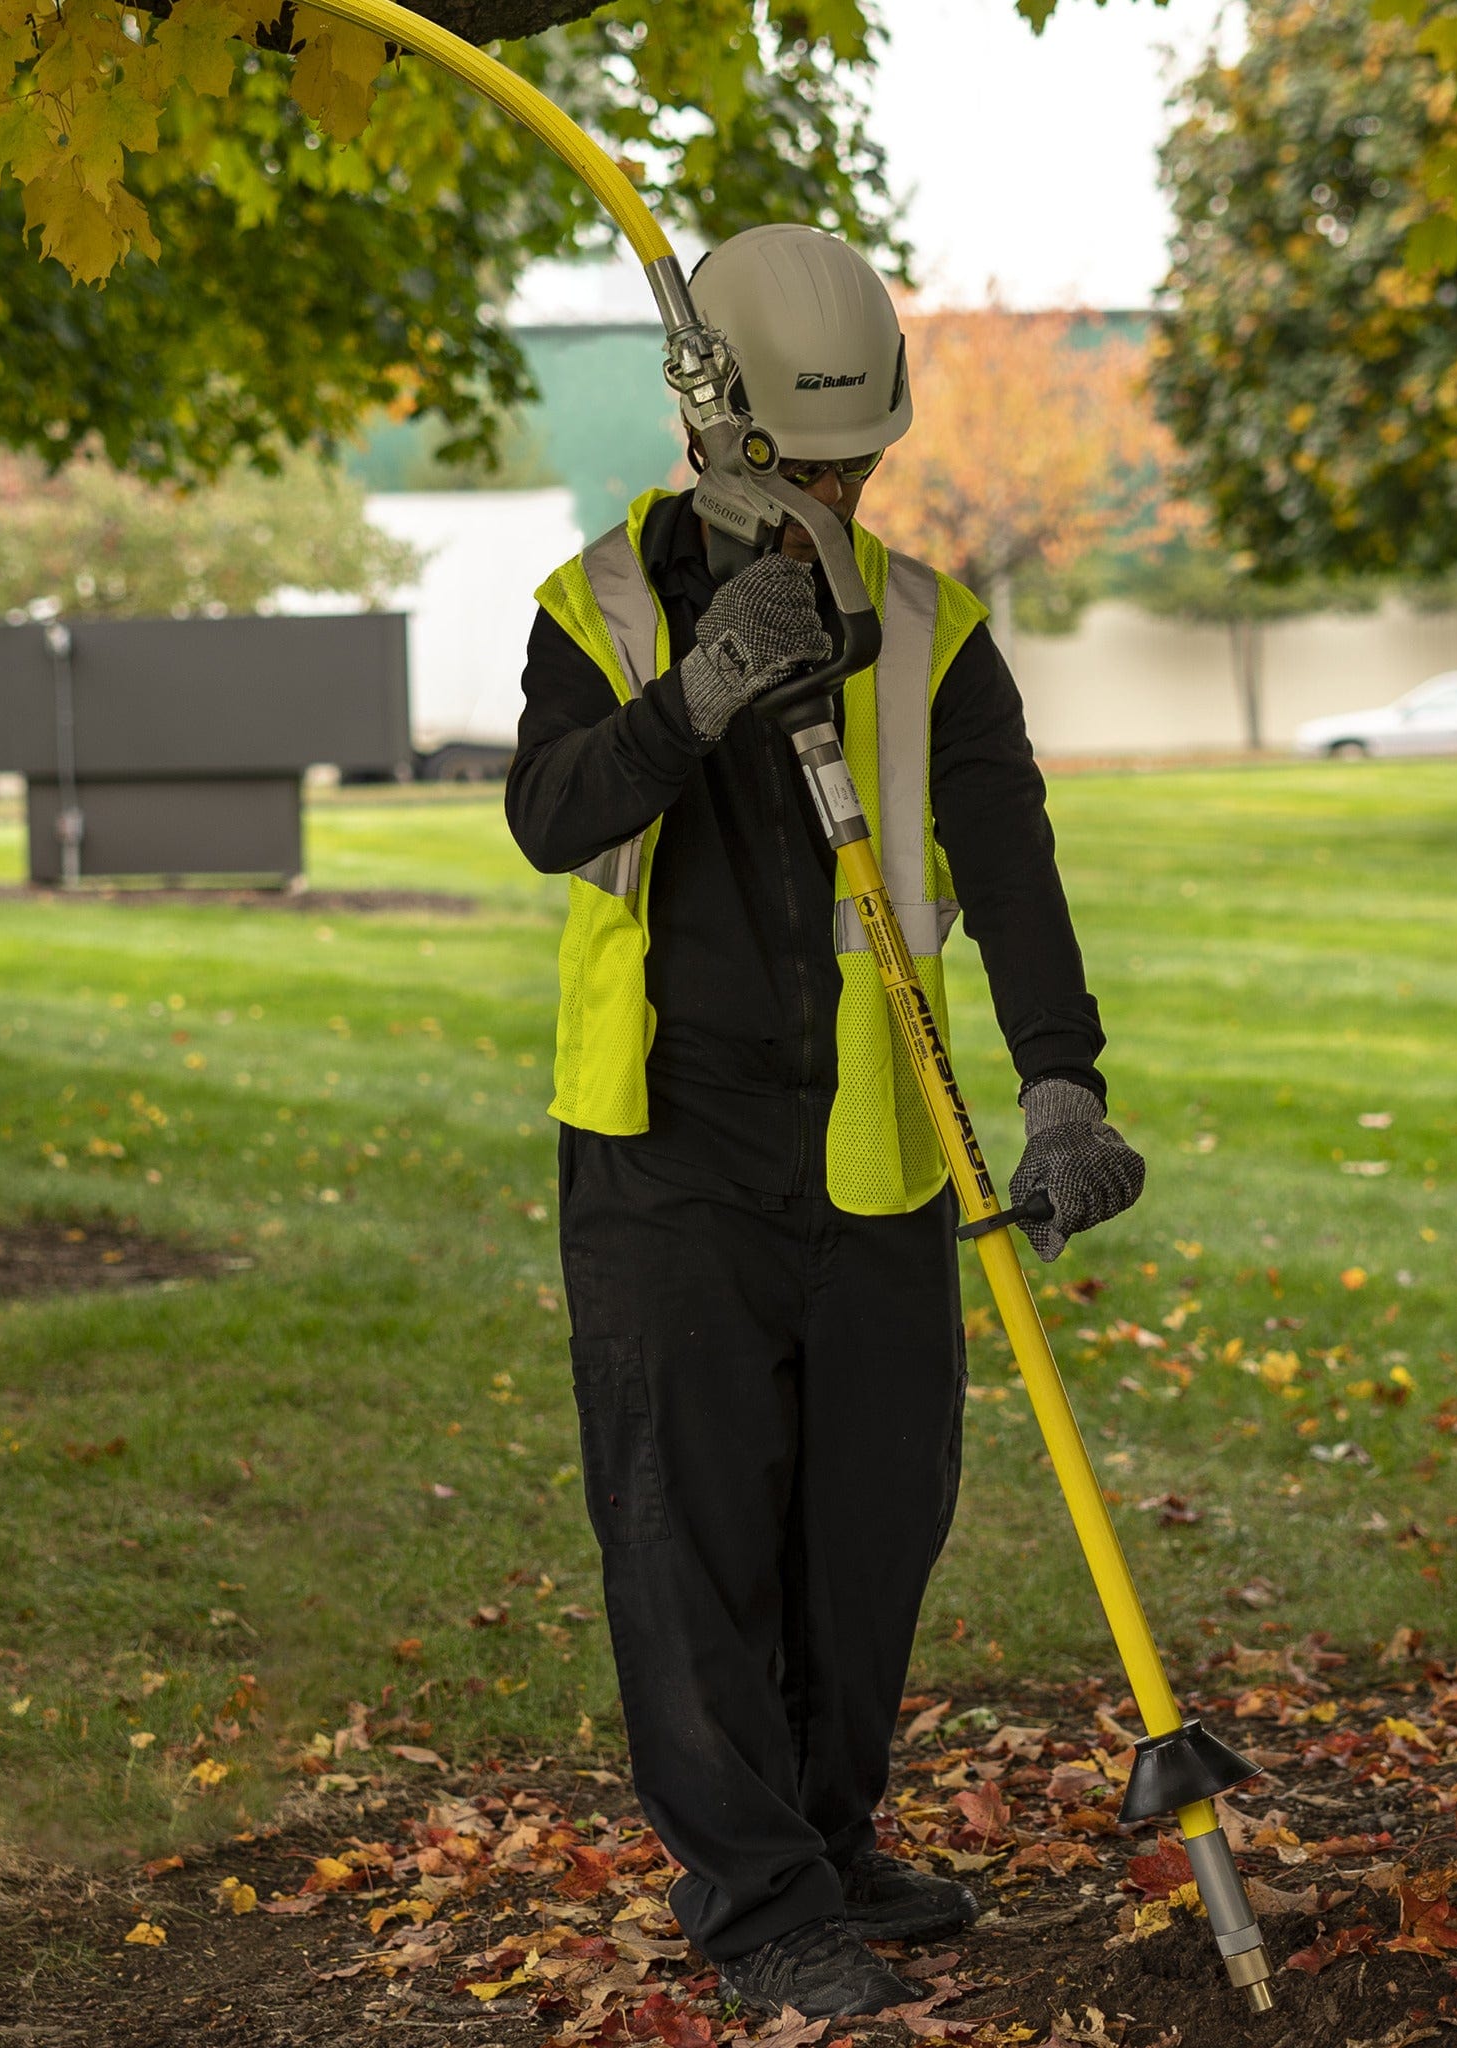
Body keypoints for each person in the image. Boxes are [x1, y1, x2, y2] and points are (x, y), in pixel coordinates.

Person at [504, 223, 1146, 2020]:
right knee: (689, 1526)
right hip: (666, 1148)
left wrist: (1064, 1078)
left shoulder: (930, 625)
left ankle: (830, 1827)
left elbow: (1009, 864)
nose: (846, 491)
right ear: (715, 432)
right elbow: (551, 816)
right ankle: (761, 1894)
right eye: (814, 462)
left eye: (866, 460)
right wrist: (697, 699)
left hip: (878, 1139)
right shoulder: (597, 608)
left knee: (871, 1526)